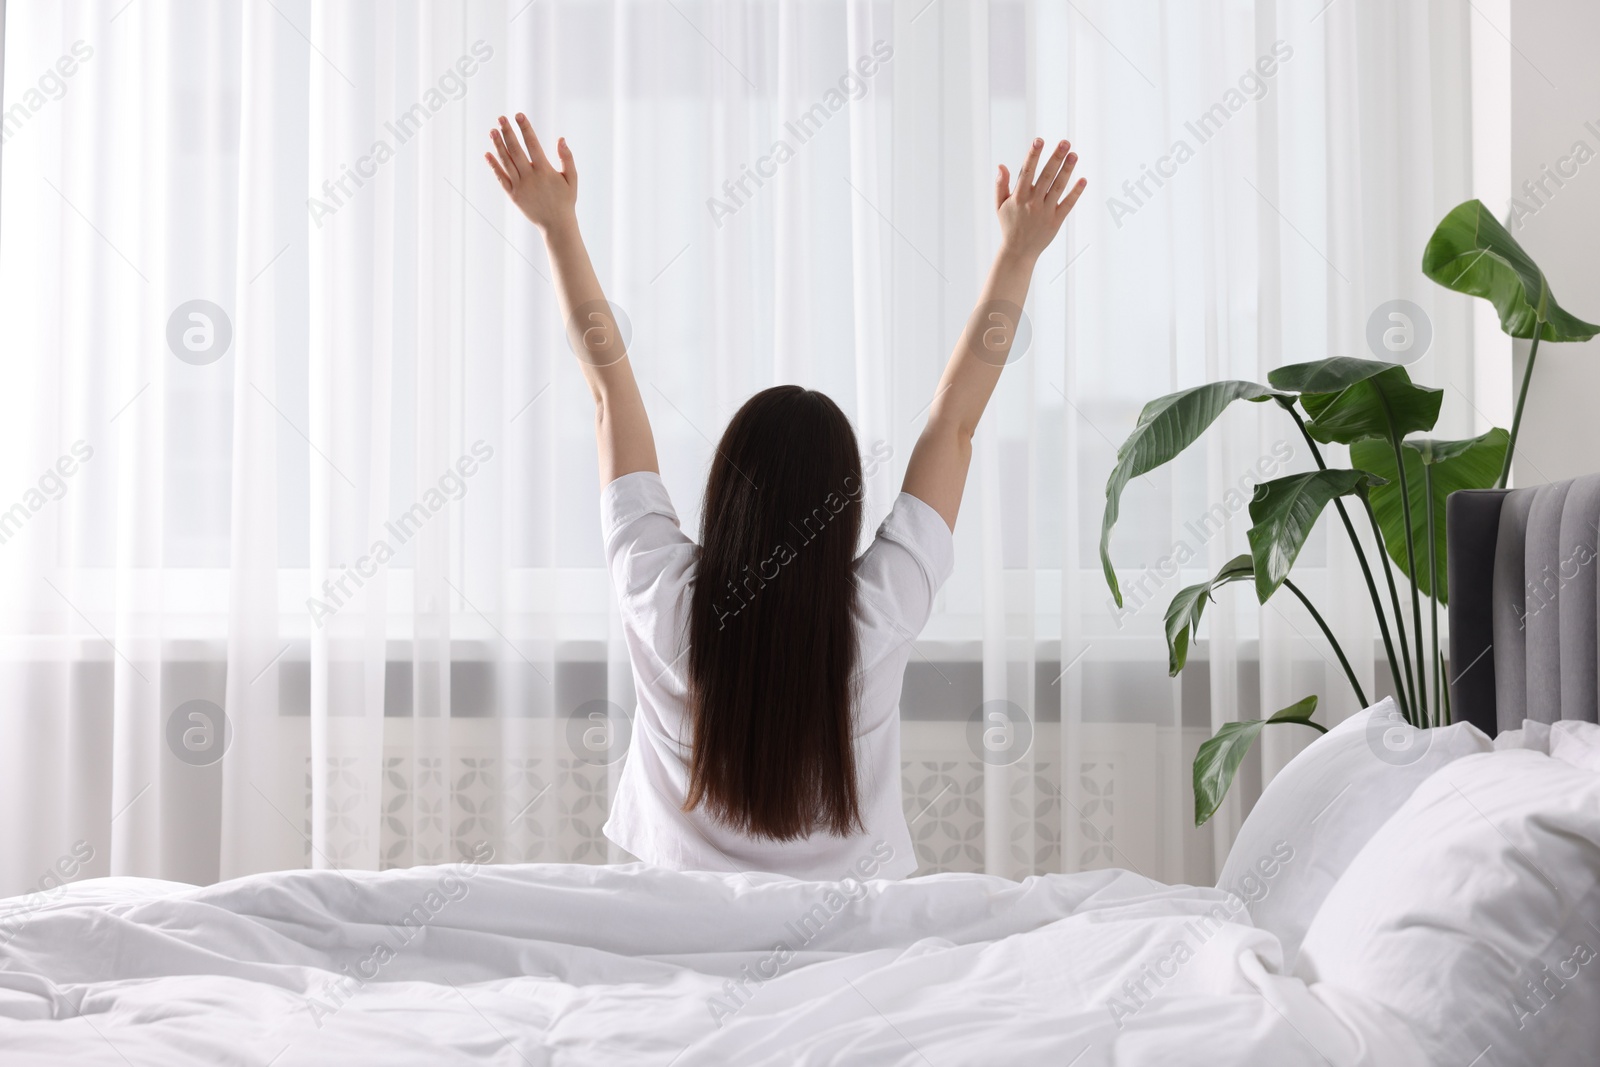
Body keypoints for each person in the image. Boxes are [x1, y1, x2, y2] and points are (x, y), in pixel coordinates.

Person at [486, 114, 1084, 880]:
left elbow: (608, 393)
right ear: (844, 509)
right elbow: (955, 425)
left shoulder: (657, 590)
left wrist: (558, 227)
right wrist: (1017, 254)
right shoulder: (880, 609)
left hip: (676, 926)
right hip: (851, 938)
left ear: (725, 491)